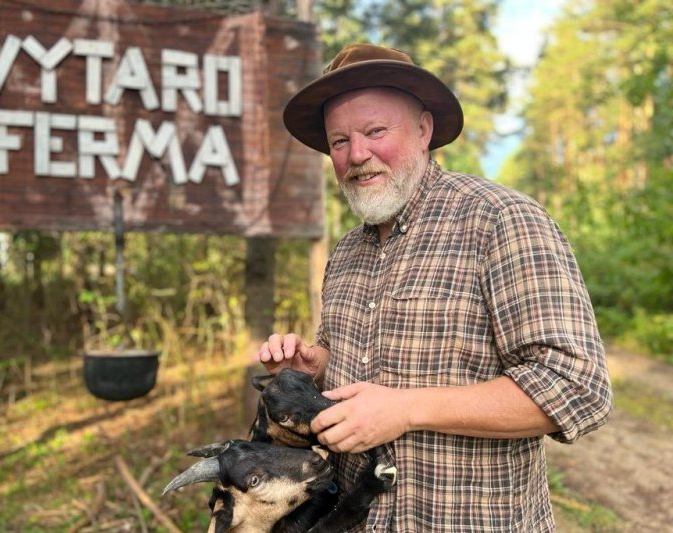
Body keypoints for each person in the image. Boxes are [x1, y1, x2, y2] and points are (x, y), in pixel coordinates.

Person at [256, 43, 613, 532]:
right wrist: (316, 368)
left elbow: (578, 387)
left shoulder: (501, 220)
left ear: (424, 130)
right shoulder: (345, 253)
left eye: (375, 131)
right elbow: (357, 371)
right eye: (339, 142)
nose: (357, 154)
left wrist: (406, 409)